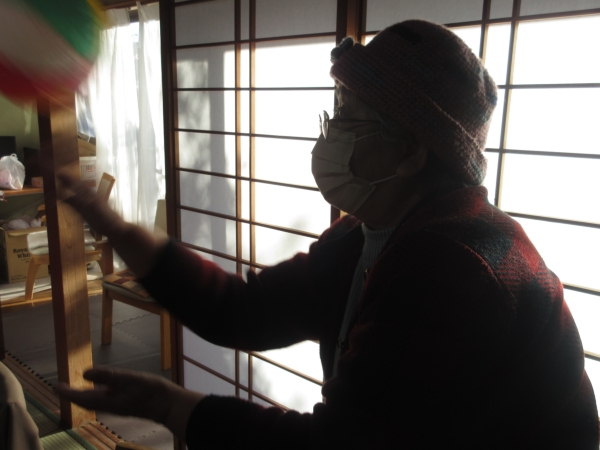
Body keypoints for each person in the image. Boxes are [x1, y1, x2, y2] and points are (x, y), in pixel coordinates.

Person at [57, 20, 598, 449]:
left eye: (347, 116)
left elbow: (339, 444)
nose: (330, 133)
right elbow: (242, 310)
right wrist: (112, 224)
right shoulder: (367, 235)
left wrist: (172, 407)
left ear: (411, 152)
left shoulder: (451, 266)